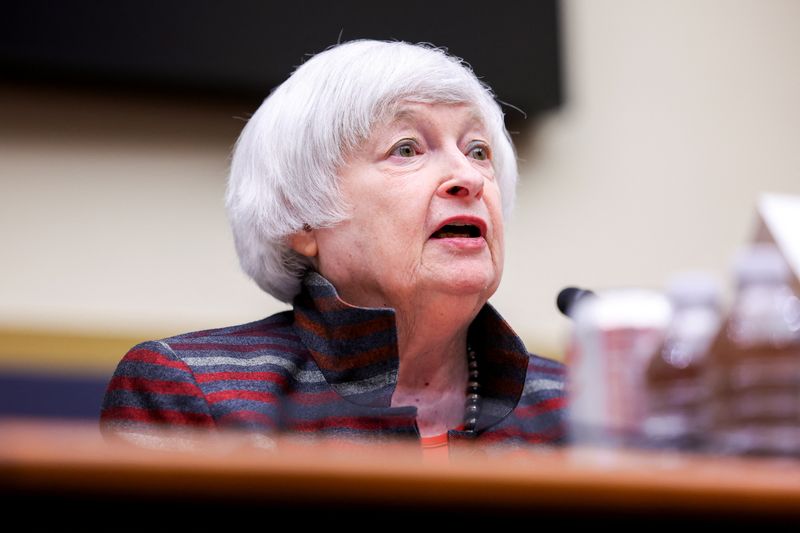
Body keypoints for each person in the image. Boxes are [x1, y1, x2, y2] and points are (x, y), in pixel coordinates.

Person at [100, 40, 566, 454]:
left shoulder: (577, 409)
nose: (468, 177)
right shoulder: (197, 394)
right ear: (302, 217)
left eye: (477, 150)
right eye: (406, 149)